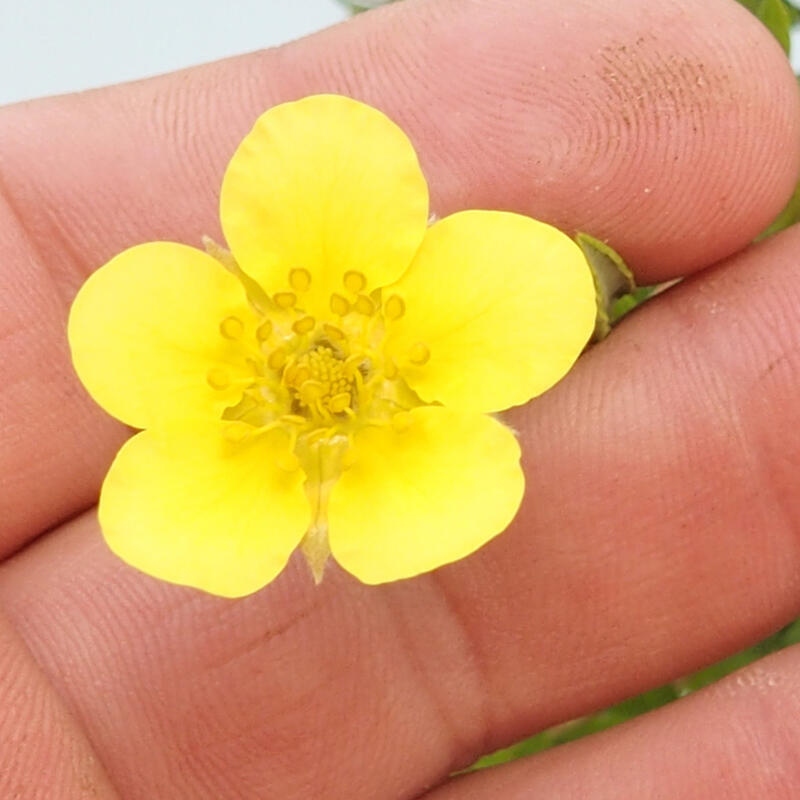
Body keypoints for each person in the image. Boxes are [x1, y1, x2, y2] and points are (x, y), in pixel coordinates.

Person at [1, 0, 799, 796]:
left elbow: (527, 288)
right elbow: (130, 351)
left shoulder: (491, 297)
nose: (318, 376)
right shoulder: (168, 422)